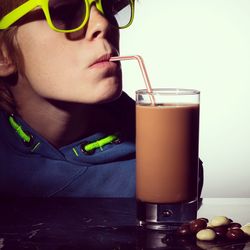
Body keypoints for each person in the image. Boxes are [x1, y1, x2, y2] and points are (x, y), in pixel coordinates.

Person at [0, 0, 136, 197]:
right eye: (66, 12)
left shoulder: (166, 163)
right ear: (2, 54)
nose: (103, 23)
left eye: (106, 7)